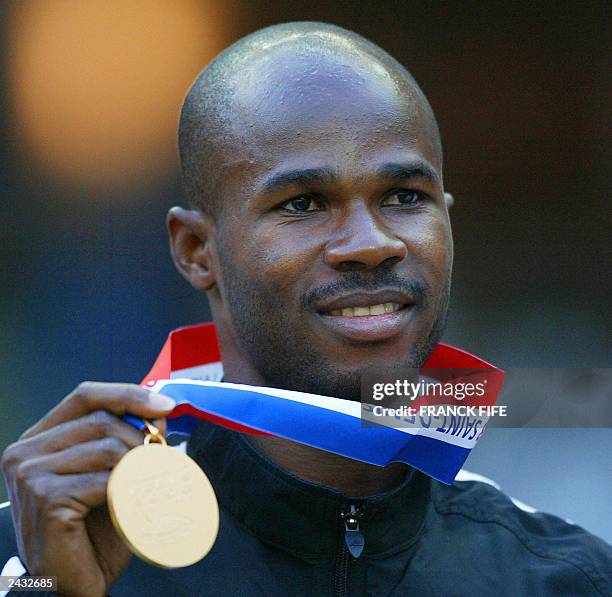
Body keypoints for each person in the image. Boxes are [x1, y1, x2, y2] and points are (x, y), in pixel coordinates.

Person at [1, 21, 610, 597]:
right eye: (304, 204)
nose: (372, 243)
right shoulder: (40, 549)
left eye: (404, 196)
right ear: (196, 250)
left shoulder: (565, 576)